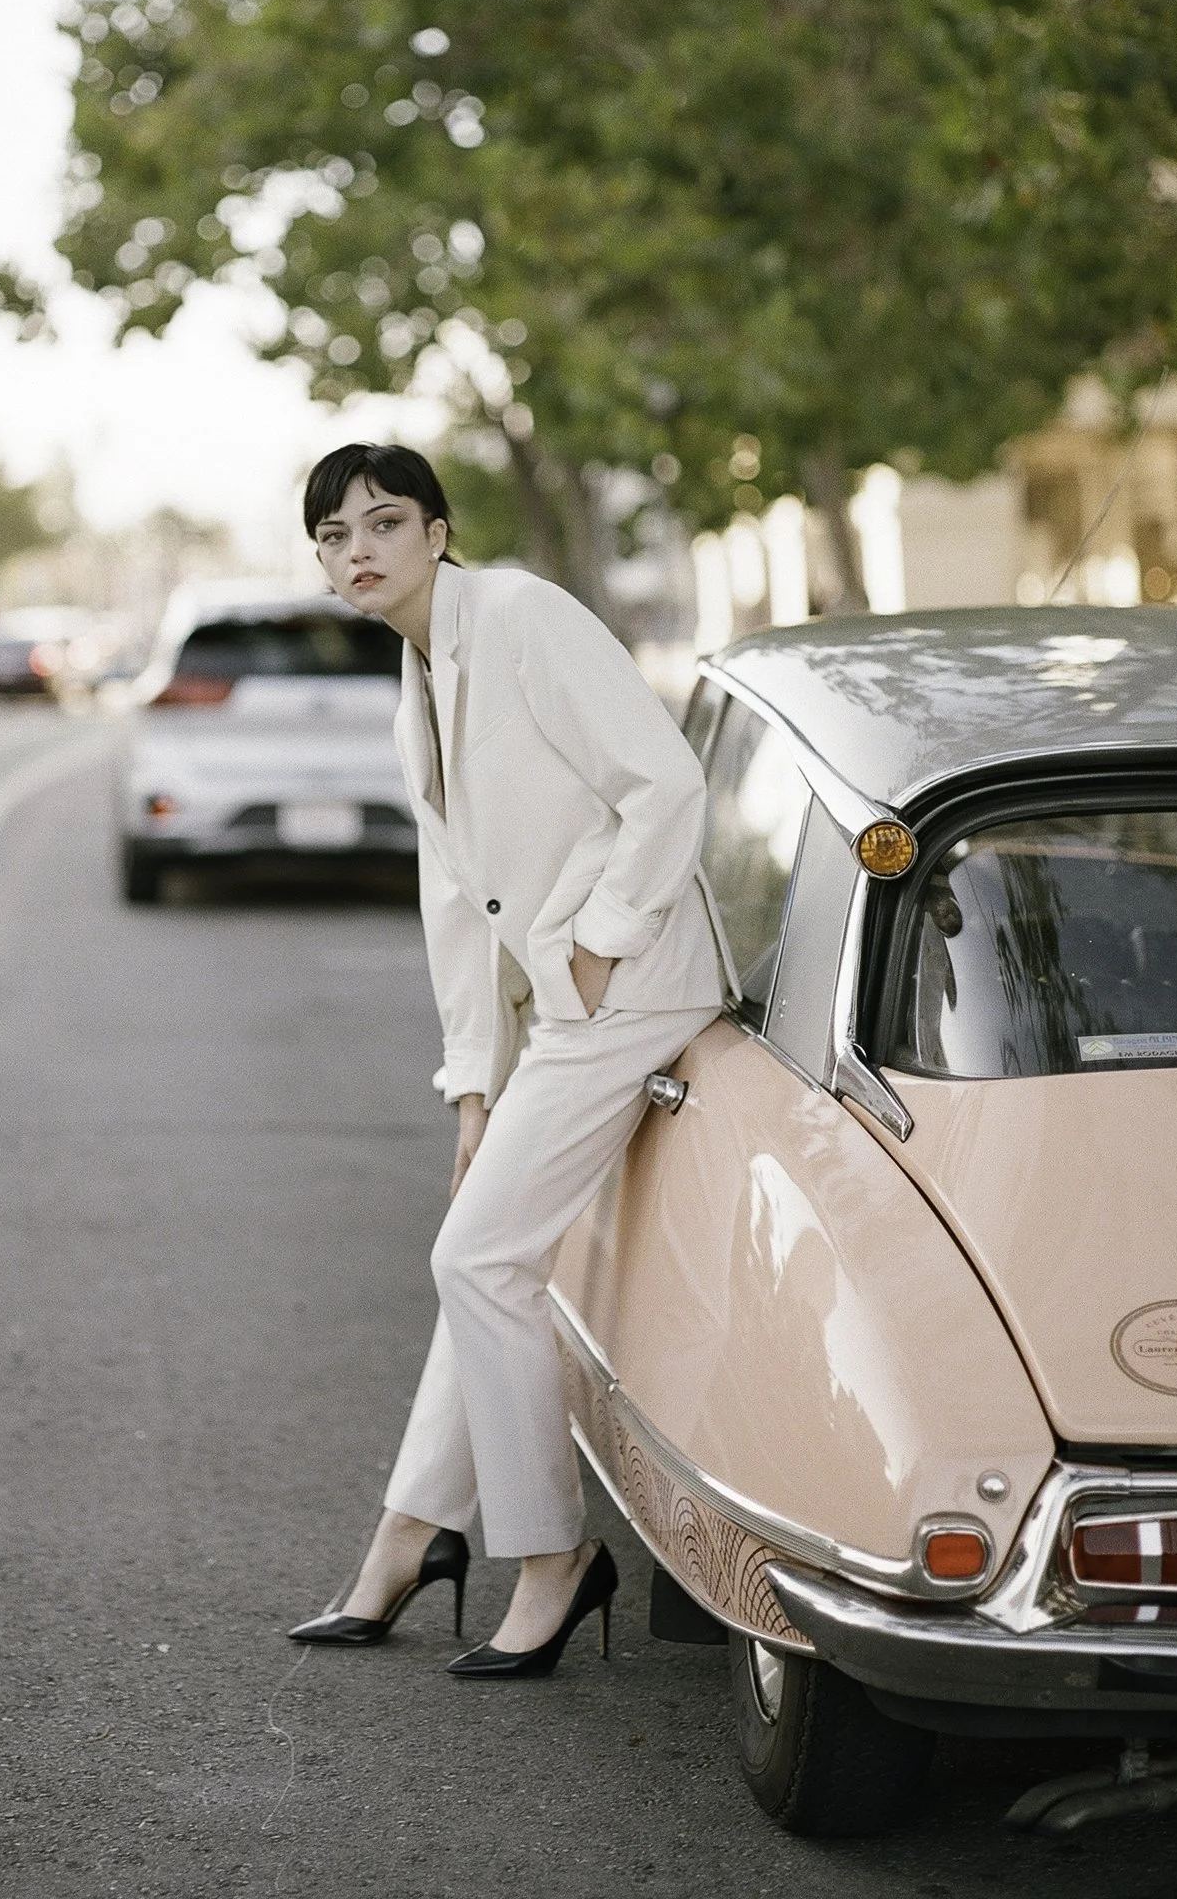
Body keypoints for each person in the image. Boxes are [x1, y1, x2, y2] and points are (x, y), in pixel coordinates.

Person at [288, 443, 729, 1678]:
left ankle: (551, 1559)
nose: (357, 549)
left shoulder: (525, 616)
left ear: (437, 531)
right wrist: (471, 1086)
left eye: (381, 522)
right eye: (332, 535)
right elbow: (451, 902)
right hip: (554, 1016)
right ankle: (407, 1540)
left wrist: (597, 943)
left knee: (476, 1256)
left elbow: (663, 781)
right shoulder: (413, 689)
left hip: (627, 991)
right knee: (486, 1255)